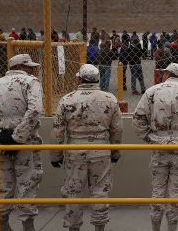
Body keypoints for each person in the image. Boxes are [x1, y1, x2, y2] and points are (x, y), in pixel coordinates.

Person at [133, 63, 178, 231]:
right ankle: (172, 227)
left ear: (167, 74)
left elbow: (138, 119)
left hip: (159, 143)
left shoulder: (152, 91)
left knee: (157, 190)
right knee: (176, 191)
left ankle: (155, 227)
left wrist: (149, 138)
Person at [51, 64, 122, 231]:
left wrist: (55, 155)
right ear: (97, 79)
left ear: (80, 79)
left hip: (75, 150)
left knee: (73, 192)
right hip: (101, 149)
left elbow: (57, 131)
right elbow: (117, 129)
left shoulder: (67, 99)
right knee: (100, 191)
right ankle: (99, 228)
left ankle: (73, 228)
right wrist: (115, 151)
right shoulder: (110, 99)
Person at [0, 54, 43, 231]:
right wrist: (17, 139)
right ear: (22, 67)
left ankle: (2, 224)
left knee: (4, 186)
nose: (32, 69)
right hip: (26, 143)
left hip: (1, 146)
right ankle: (28, 227)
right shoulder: (30, 82)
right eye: (30, 66)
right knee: (27, 184)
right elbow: (34, 110)